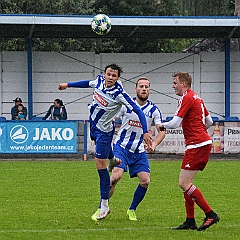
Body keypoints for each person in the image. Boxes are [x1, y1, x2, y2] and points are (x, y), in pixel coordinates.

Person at [58, 64, 152, 220]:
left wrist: (146, 132)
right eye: (108, 74)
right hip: (94, 125)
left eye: (114, 76)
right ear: (104, 74)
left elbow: (138, 111)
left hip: (104, 132)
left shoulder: (119, 94)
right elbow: (87, 83)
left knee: (100, 167)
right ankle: (113, 159)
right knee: (107, 161)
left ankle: (104, 206)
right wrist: (67, 85)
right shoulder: (99, 80)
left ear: (117, 78)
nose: (110, 78)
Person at [91, 77, 165, 221]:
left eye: (147, 87)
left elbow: (161, 130)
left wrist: (154, 144)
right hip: (121, 148)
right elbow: (112, 118)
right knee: (115, 177)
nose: (144, 89)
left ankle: (131, 210)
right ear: (136, 89)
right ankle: (102, 207)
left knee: (145, 181)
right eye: (141, 86)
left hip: (139, 152)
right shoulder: (125, 105)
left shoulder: (154, 110)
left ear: (149, 90)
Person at [159, 72, 220, 231]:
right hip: (202, 143)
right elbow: (210, 121)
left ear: (183, 83)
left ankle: (210, 214)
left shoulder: (185, 97)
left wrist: (161, 125)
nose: (173, 86)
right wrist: (200, 133)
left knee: (183, 183)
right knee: (187, 184)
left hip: (197, 145)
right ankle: (190, 221)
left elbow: (175, 123)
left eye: (175, 83)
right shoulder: (197, 98)